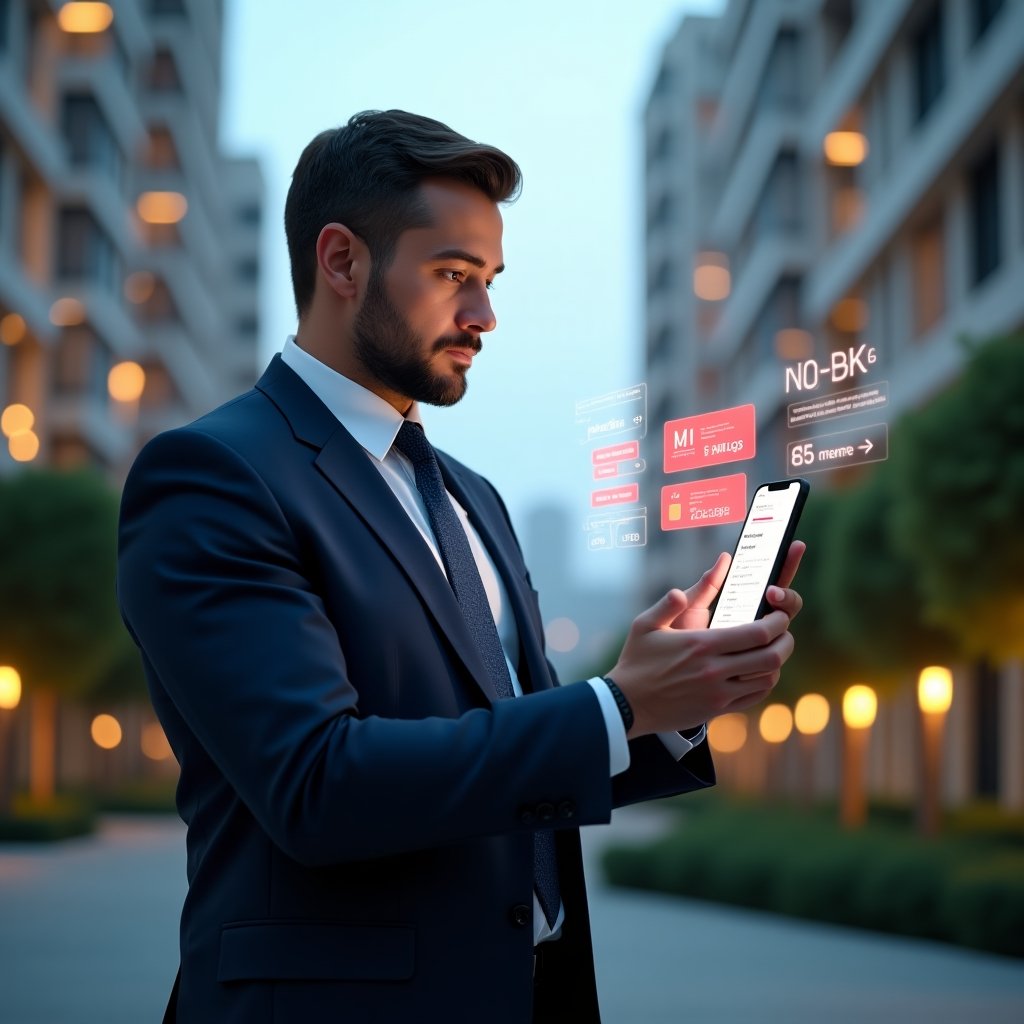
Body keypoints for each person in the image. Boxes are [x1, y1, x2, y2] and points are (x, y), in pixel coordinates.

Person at [117, 109, 804, 1024]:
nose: (484, 315)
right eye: (453, 275)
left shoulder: (474, 497)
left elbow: (517, 757)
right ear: (341, 261)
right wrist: (618, 703)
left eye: (490, 280)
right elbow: (317, 784)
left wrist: (672, 706)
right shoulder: (214, 475)